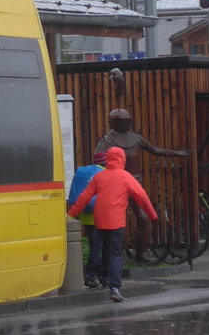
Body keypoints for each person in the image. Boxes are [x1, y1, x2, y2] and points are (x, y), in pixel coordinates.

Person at [94, 108, 189, 262]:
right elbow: (98, 160)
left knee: (143, 217)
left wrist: (175, 153)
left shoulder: (136, 138)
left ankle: (141, 253)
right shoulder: (107, 140)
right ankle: (116, 254)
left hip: (134, 183)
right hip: (116, 184)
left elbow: (155, 150)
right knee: (117, 219)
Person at [68, 146, 158, 303]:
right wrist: (152, 215)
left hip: (99, 220)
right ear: (122, 159)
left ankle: (101, 277)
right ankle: (115, 287)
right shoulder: (125, 176)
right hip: (116, 221)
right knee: (115, 253)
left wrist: (71, 214)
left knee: (101, 249)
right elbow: (141, 196)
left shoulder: (100, 176)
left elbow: (84, 197)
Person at [67, 151, 107, 288]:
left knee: (95, 246)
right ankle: (91, 275)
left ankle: (100, 275)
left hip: (86, 216)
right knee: (98, 248)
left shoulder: (86, 172)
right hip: (100, 216)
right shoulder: (105, 174)